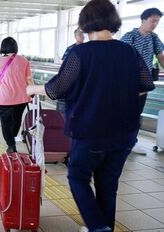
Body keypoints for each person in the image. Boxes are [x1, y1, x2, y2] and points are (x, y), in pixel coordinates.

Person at [26, 0, 155, 231]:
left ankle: (97, 226)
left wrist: (31, 89)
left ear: (86, 23)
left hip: (91, 130)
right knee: (108, 184)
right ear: (112, 21)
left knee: (78, 177)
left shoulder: (80, 53)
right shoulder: (129, 51)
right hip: (124, 132)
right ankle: (105, 227)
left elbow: (56, 89)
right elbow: (145, 84)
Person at [121, 7, 164, 154]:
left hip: (143, 83)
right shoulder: (129, 37)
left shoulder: (154, 38)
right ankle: (119, 139)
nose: (155, 24)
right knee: (123, 111)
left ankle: (131, 141)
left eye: (157, 21)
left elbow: (161, 56)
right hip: (126, 81)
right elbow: (119, 60)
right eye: (153, 21)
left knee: (136, 112)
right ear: (143, 19)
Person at [0, 37, 33, 153]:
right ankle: (13, 136)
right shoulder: (24, 61)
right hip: (22, 97)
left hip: (5, 98)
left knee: (6, 122)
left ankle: (11, 144)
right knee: (17, 119)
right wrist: (33, 91)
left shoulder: (0, 61)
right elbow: (29, 79)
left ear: (3, 47)